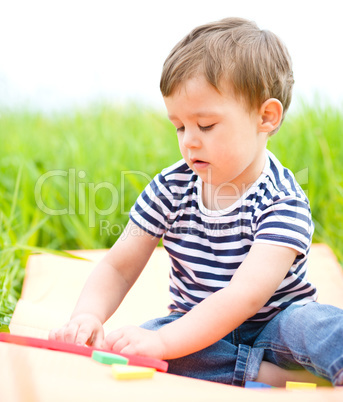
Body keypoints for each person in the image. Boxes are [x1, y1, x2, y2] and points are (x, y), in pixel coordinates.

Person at [49, 17, 343, 387]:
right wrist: (88, 315)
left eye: (205, 126)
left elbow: (244, 297)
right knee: (134, 343)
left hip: (277, 328)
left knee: (317, 326)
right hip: (197, 329)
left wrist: (165, 342)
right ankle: (266, 375)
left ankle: (287, 365)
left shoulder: (282, 200)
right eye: (179, 126)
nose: (189, 141)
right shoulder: (171, 187)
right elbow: (119, 267)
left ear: (265, 117)